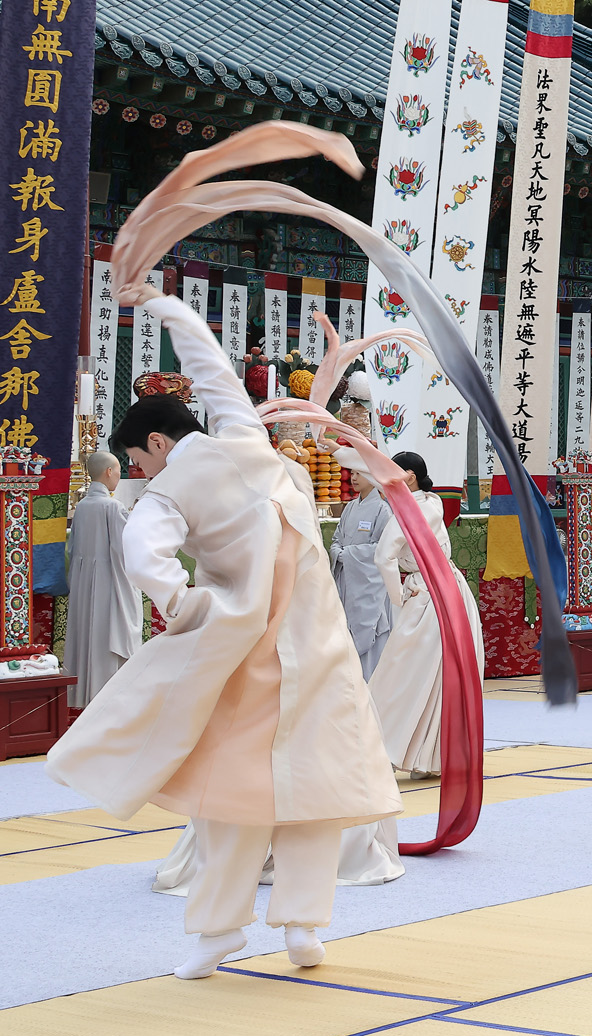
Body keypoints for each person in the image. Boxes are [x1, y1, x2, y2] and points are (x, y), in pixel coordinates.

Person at [46, 292, 401, 980]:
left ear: (155, 442)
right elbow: (212, 371)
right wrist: (172, 311)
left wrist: (180, 601)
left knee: (233, 796)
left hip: (250, 651)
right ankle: (302, 925)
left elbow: (144, 553)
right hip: (317, 640)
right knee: (315, 790)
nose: (141, 474)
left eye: (140, 460)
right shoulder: (241, 436)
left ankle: (219, 930)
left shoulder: (174, 486)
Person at [362, 451, 482, 777]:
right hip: (450, 588)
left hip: (428, 594)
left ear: (410, 476)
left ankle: (388, 748)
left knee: (403, 673)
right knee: (441, 675)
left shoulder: (411, 511)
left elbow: (383, 558)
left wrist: (398, 596)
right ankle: (429, 757)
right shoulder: (431, 502)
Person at [64, 452, 141, 708]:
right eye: (119, 470)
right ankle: (109, 702)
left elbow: (73, 549)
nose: (119, 475)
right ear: (109, 472)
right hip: (109, 583)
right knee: (106, 638)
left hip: (85, 582)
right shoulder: (112, 507)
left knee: (89, 636)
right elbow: (125, 549)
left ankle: (84, 697)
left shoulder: (83, 506)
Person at [328, 462, 393, 678]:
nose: (354, 478)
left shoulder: (383, 509)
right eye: (353, 473)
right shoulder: (350, 507)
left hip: (369, 584)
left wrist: (347, 554)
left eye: (359, 473)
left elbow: (382, 548)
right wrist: (338, 551)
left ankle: (373, 684)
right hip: (349, 580)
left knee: (373, 632)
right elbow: (337, 538)